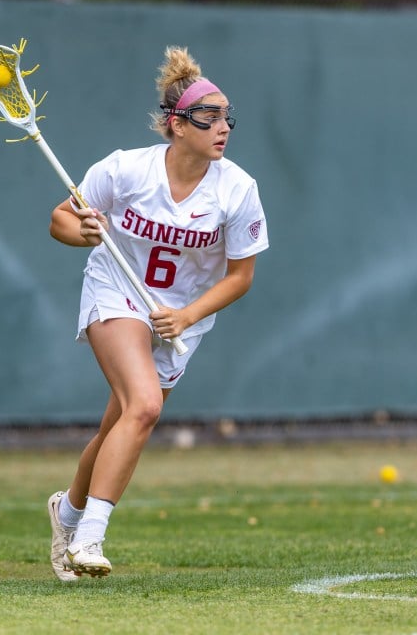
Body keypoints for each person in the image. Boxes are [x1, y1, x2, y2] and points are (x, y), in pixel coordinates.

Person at [46, 45, 269, 580]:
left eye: (226, 117)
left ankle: (68, 515)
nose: (222, 128)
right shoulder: (125, 170)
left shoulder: (237, 191)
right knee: (144, 405)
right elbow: (60, 220)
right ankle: (90, 542)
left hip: (177, 318)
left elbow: (241, 277)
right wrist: (86, 232)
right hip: (115, 292)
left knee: (119, 424)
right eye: (207, 117)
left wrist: (187, 316)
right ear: (176, 124)